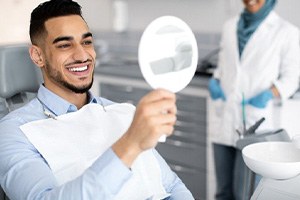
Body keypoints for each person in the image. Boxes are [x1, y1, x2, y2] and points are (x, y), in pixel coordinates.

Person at [0, 0, 194, 199]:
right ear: (38, 55)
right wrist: (131, 144)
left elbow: (171, 186)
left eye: (86, 42)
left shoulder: (123, 112)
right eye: (65, 45)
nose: (82, 55)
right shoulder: (13, 132)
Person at [208, 0, 300, 199]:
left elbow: (291, 78)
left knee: (246, 194)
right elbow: (225, 65)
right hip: (225, 117)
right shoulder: (230, 26)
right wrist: (215, 80)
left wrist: (270, 92)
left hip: (257, 124)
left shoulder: (287, 32)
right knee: (222, 192)